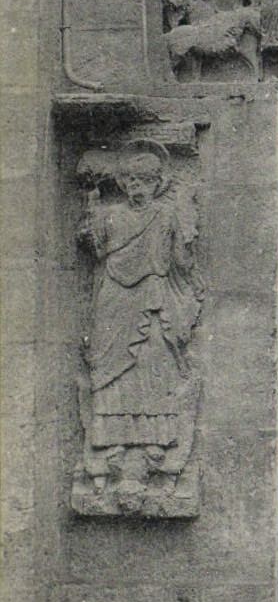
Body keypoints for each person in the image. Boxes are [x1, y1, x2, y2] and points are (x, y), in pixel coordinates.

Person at [79, 147, 203, 506]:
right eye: (131, 180)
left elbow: (181, 262)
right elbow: (95, 249)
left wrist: (188, 230)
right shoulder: (112, 215)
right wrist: (91, 207)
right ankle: (111, 445)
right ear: (123, 183)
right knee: (110, 371)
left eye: (145, 180)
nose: (137, 186)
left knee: (152, 363)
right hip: (114, 300)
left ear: (156, 183)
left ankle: (156, 444)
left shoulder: (166, 215)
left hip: (152, 298)